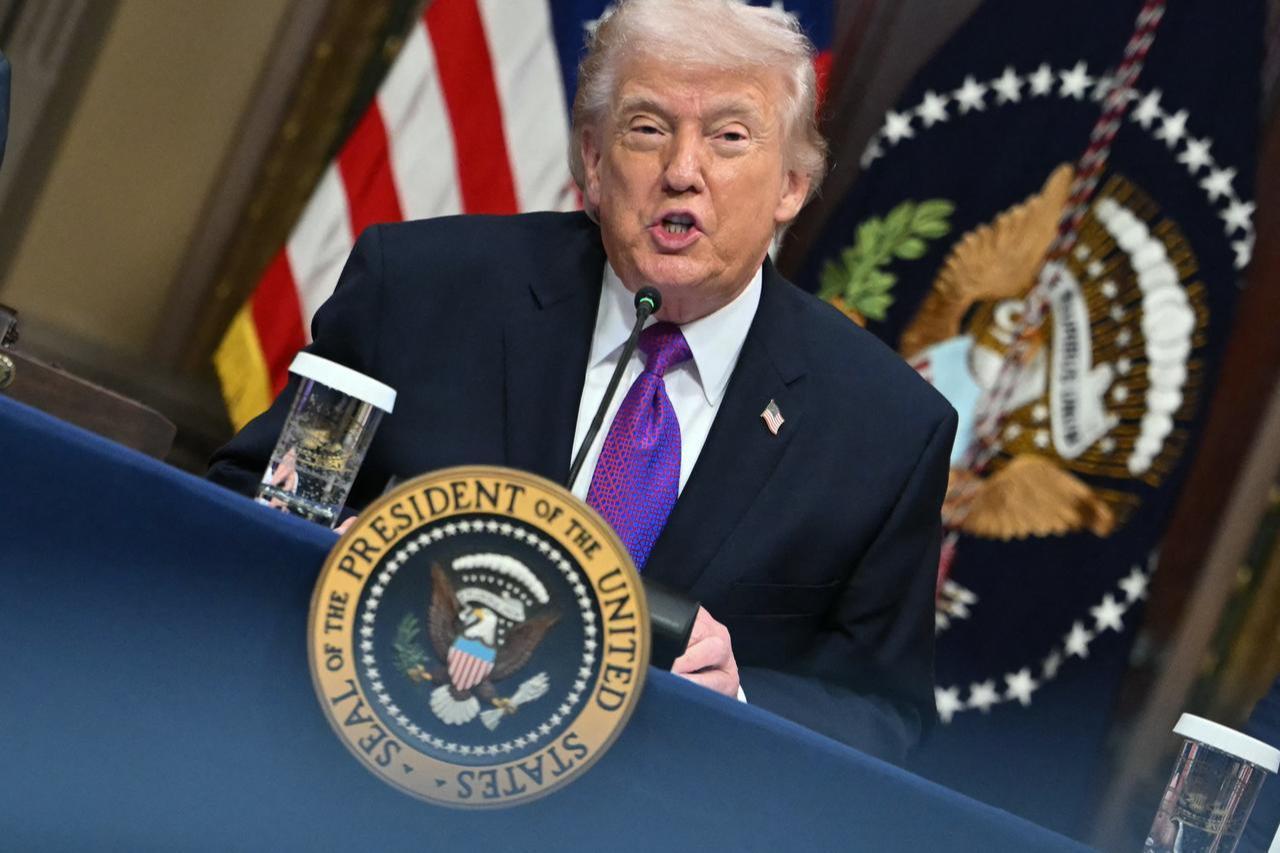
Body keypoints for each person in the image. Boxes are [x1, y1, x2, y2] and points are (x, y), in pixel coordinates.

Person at [208, 0, 956, 764]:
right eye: (648, 128)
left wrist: (738, 699)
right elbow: (254, 497)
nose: (682, 172)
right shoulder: (420, 290)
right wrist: (325, 549)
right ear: (594, 163)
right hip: (363, 756)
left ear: (792, 186)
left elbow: (882, 712)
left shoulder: (883, 429)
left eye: (729, 137)